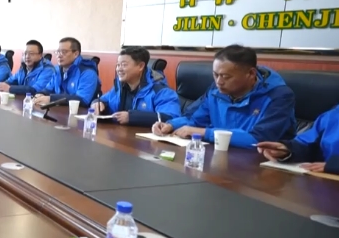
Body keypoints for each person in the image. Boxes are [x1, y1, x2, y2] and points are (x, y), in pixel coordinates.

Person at [153, 45, 297, 148]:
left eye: (226, 77)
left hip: (261, 165)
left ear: (251, 74)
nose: (219, 82)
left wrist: (205, 133)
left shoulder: (279, 96)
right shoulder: (216, 90)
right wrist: (171, 125)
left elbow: (259, 139)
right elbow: (195, 119)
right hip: (221, 156)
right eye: (215, 75)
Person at [90, 47, 181, 126]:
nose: (119, 69)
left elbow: (171, 117)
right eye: (118, 65)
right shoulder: (120, 86)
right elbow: (104, 99)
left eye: (124, 65)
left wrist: (132, 117)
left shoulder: (160, 90)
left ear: (141, 66)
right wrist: (97, 103)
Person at [257, 104, 339, 175]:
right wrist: (287, 150)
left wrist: (334, 165)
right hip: (323, 180)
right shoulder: (331, 116)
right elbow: (308, 144)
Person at [33, 37, 101, 107]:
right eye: (58, 52)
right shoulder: (57, 70)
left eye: (64, 52)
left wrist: (51, 99)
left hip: (80, 112)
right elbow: (48, 89)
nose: (59, 55)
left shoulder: (87, 73)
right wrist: (41, 94)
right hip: (59, 110)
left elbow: (82, 100)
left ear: (76, 54)